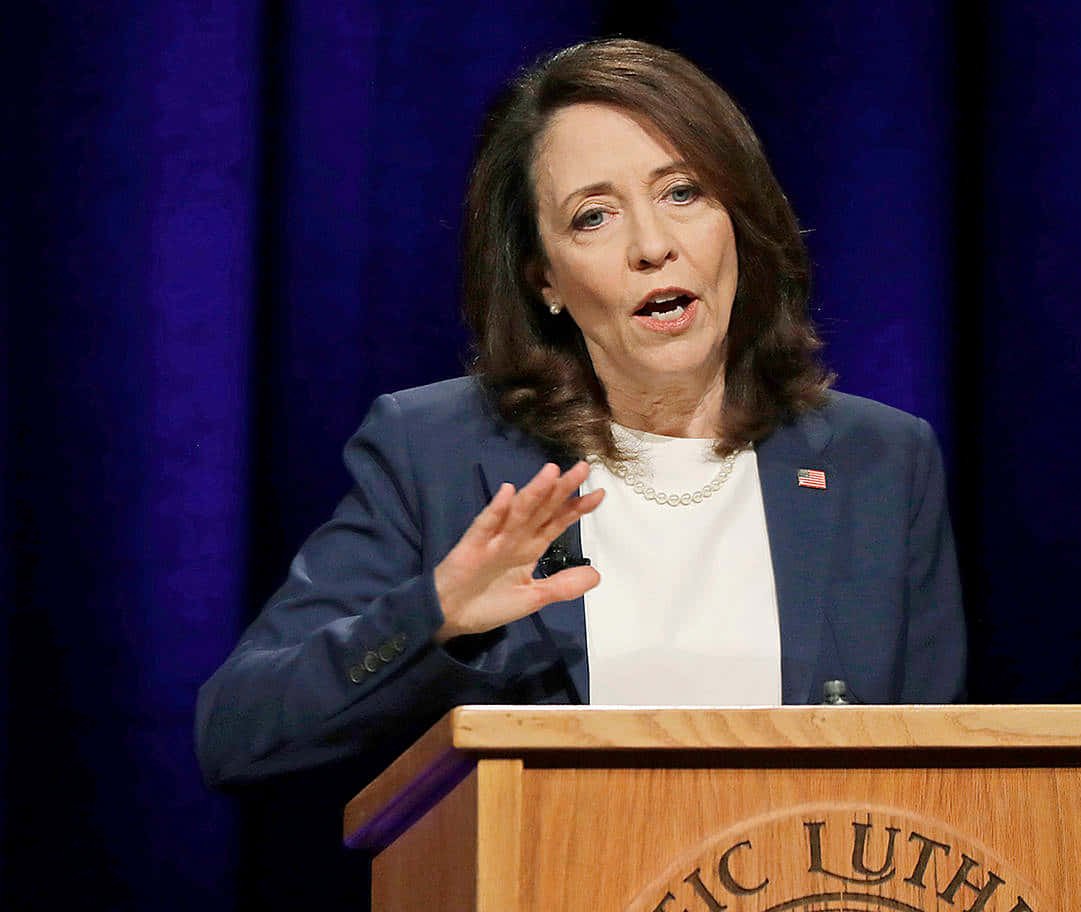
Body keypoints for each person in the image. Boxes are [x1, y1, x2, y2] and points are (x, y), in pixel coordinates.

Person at [196, 38, 965, 787]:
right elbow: (239, 730)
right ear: (545, 279)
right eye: (594, 216)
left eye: (683, 192)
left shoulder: (881, 460)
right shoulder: (437, 452)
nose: (653, 245)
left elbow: (941, 785)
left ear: (739, 218)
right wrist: (434, 613)